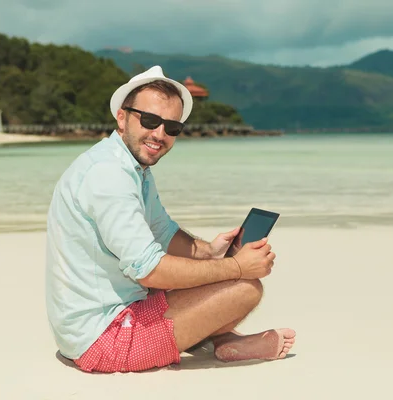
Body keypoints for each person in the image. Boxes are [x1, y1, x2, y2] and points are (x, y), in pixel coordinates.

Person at [45, 65, 295, 373]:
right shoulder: (109, 176)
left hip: (103, 319)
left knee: (216, 274)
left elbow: (164, 233)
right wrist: (236, 267)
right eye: (149, 120)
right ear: (122, 118)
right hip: (102, 340)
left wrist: (210, 252)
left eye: (172, 127)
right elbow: (149, 271)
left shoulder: (129, 167)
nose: (159, 134)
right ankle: (216, 338)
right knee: (245, 287)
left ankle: (220, 341)